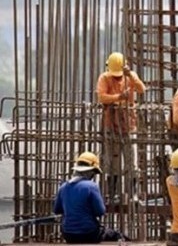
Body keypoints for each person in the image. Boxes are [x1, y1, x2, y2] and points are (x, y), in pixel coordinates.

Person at [96, 52, 146, 201]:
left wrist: (130, 75)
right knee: (112, 161)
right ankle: (112, 194)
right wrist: (118, 97)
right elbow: (101, 96)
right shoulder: (104, 78)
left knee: (132, 161)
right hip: (110, 125)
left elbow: (142, 89)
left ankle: (132, 194)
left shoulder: (130, 77)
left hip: (129, 124)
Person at [53, 152, 129, 244]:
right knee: (117, 236)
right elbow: (100, 211)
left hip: (68, 234)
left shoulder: (64, 187)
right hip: (89, 233)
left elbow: (57, 210)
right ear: (90, 172)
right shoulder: (91, 186)